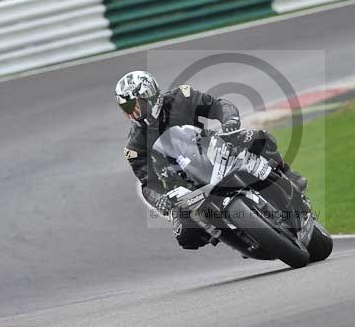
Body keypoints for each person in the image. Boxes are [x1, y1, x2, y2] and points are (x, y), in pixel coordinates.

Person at [115, 70, 307, 249]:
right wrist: (160, 201)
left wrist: (229, 120)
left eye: (133, 106)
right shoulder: (134, 145)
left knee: (258, 138)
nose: (130, 113)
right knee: (185, 235)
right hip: (183, 182)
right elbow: (147, 183)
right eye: (125, 108)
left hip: (211, 149)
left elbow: (218, 106)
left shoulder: (181, 97)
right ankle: (223, 232)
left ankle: (288, 175)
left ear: (148, 97)